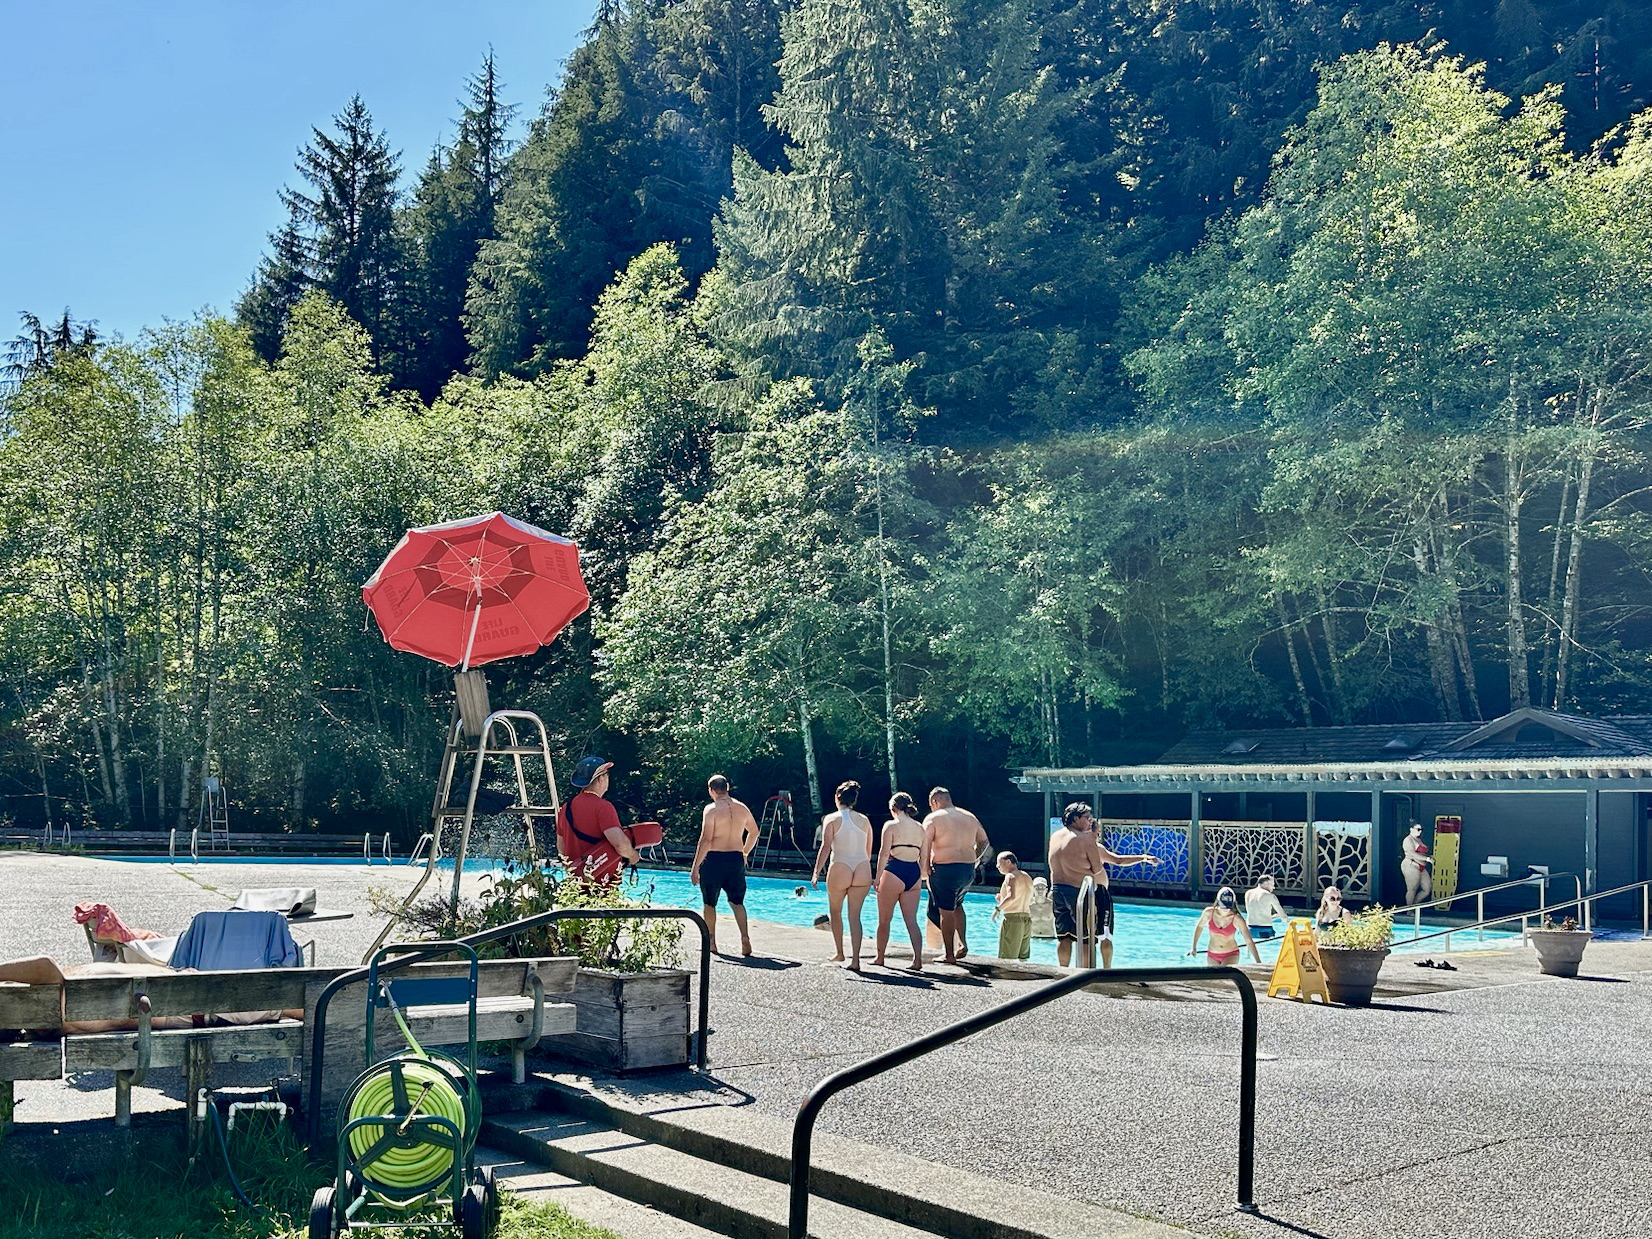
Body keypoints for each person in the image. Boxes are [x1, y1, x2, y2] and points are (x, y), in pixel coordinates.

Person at [1047, 802, 1160, 968]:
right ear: (1076, 819)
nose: (1090, 821)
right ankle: (1085, 975)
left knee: (1064, 937)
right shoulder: (1086, 839)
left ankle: (1062, 971)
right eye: (1087, 818)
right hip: (1079, 892)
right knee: (1086, 939)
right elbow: (1097, 868)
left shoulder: (1056, 836)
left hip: (1058, 890)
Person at [920, 787, 990, 964]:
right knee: (958, 905)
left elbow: (925, 844)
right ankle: (962, 944)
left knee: (946, 911)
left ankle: (949, 954)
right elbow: (984, 841)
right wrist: (975, 860)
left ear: (935, 802)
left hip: (944, 869)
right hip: (967, 869)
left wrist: (925, 867)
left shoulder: (933, 818)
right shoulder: (969, 816)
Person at [690, 774, 757, 956]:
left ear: (711, 790)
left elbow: (705, 839)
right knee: (737, 902)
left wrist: (695, 866)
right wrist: (744, 852)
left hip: (714, 859)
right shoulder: (742, 808)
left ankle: (711, 941)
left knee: (709, 903)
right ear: (727, 787)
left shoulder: (711, 810)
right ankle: (745, 938)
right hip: (735, 857)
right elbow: (754, 832)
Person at [810, 780, 874, 970]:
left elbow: (826, 846)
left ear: (838, 797)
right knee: (855, 916)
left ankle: (840, 952)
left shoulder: (831, 819)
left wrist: (816, 872)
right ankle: (856, 960)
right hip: (862, 866)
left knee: (835, 912)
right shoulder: (864, 820)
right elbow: (868, 849)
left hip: (840, 866)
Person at [556, 756, 641, 885]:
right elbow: (620, 845)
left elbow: (561, 849)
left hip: (575, 883)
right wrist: (633, 856)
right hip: (602, 884)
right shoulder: (603, 807)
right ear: (601, 779)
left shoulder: (565, 808)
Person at [872, 791, 926, 970]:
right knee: (911, 920)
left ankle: (880, 957)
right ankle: (917, 960)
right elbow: (924, 856)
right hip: (914, 871)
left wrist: (878, 877)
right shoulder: (920, 827)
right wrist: (922, 875)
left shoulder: (891, 825)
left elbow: (884, 853)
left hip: (895, 870)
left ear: (894, 808)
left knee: (884, 920)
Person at [1190, 887, 1262, 967]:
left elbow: (1248, 941)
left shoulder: (1237, 919)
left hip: (1231, 954)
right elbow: (1199, 927)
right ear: (1218, 902)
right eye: (1223, 906)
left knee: (1224, 976)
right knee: (1214, 978)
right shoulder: (1209, 913)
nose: (1226, 909)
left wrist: (1258, 962)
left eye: (1228, 906)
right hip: (1212, 954)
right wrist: (1194, 947)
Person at [993, 852, 1033, 961]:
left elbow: (1012, 897)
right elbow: (1026, 897)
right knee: (1023, 958)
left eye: (999, 863)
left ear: (1008, 862)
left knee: (1006, 958)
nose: (997, 866)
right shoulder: (1027, 876)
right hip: (1027, 919)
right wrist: (1002, 898)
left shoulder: (1010, 876)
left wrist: (998, 909)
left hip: (1013, 920)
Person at [1244, 875, 1287, 941]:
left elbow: (1257, 913)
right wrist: (1286, 922)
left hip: (1250, 929)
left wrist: (1273, 917)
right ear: (1266, 883)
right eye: (1272, 885)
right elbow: (1283, 916)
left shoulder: (1248, 893)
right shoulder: (1269, 895)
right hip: (1264, 929)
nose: (1274, 888)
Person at [1402, 822, 1434, 905]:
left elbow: (1422, 852)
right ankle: (1409, 910)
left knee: (1427, 889)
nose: (1420, 831)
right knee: (1412, 889)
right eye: (1418, 829)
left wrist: (1429, 856)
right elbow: (1412, 853)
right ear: (1411, 829)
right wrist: (1427, 859)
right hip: (1411, 864)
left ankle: (1414, 906)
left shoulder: (1419, 839)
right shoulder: (1408, 840)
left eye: (1421, 830)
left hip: (1422, 866)